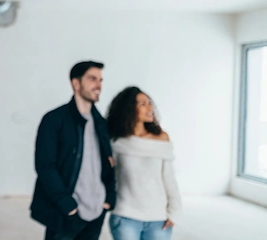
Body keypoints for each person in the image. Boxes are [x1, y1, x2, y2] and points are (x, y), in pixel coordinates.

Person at [30, 61, 116, 240]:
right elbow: (45, 166)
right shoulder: (54, 120)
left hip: (97, 211)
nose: (98, 85)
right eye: (92, 79)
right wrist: (67, 205)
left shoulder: (102, 124)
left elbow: (110, 163)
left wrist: (108, 198)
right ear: (76, 83)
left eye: (100, 80)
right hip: (67, 213)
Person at [106, 86, 182, 240]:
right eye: (143, 104)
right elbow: (108, 177)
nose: (150, 107)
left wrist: (174, 213)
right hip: (125, 217)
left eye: (149, 103)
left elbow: (169, 179)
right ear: (129, 109)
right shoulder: (115, 141)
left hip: (158, 220)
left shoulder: (161, 138)